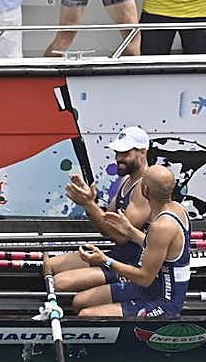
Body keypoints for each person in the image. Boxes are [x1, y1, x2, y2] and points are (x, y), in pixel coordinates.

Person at [72, 166, 191, 318]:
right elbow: (157, 247)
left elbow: (144, 278)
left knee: (85, 315)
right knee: (79, 301)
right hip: (149, 287)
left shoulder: (162, 226)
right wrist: (130, 230)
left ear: (144, 190)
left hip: (163, 302)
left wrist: (105, 261)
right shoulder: (177, 209)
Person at [48, 125, 153, 293]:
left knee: (59, 283)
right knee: (49, 265)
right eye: (117, 153)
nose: (119, 158)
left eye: (126, 153)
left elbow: (121, 236)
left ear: (143, 152)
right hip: (118, 254)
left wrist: (89, 204)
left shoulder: (145, 186)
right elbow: (105, 226)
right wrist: (88, 202)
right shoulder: (126, 180)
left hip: (134, 264)